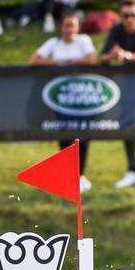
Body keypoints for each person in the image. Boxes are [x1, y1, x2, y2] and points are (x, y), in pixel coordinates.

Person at [30, 13, 97, 193]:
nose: (69, 29)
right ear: (61, 27)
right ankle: (68, 175)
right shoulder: (54, 43)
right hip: (61, 98)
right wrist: (56, 62)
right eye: (66, 25)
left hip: (82, 99)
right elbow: (34, 60)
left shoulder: (83, 40)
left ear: (78, 27)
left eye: (72, 25)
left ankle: (81, 174)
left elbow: (92, 59)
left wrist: (69, 62)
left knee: (83, 135)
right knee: (64, 136)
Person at [101, 0, 135, 190]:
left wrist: (124, 55)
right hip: (127, 84)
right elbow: (103, 56)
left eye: (133, 15)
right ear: (120, 15)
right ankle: (132, 170)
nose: (129, 19)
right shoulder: (116, 29)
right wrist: (111, 55)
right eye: (125, 15)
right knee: (127, 123)